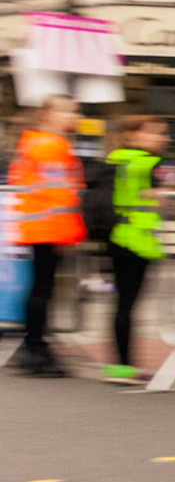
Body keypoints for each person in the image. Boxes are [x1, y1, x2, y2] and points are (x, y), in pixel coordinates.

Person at [6, 95, 85, 377]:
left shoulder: (32, 143)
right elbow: (58, 193)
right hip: (49, 229)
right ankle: (35, 349)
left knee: (39, 288)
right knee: (43, 289)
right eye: (67, 111)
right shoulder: (52, 146)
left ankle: (34, 345)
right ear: (48, 115)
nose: (73, 116)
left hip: (37, 227)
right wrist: (65, 236)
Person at [100, 114, 172, 382]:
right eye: (154, 133)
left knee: (122, 303)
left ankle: (120, 364)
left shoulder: (115, 159)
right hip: (138, 240)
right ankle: (124, 365)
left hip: (117, 237)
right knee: (128, 304)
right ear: (133, 135)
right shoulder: (148, 163)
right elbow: (162, 199)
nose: (162, 139)